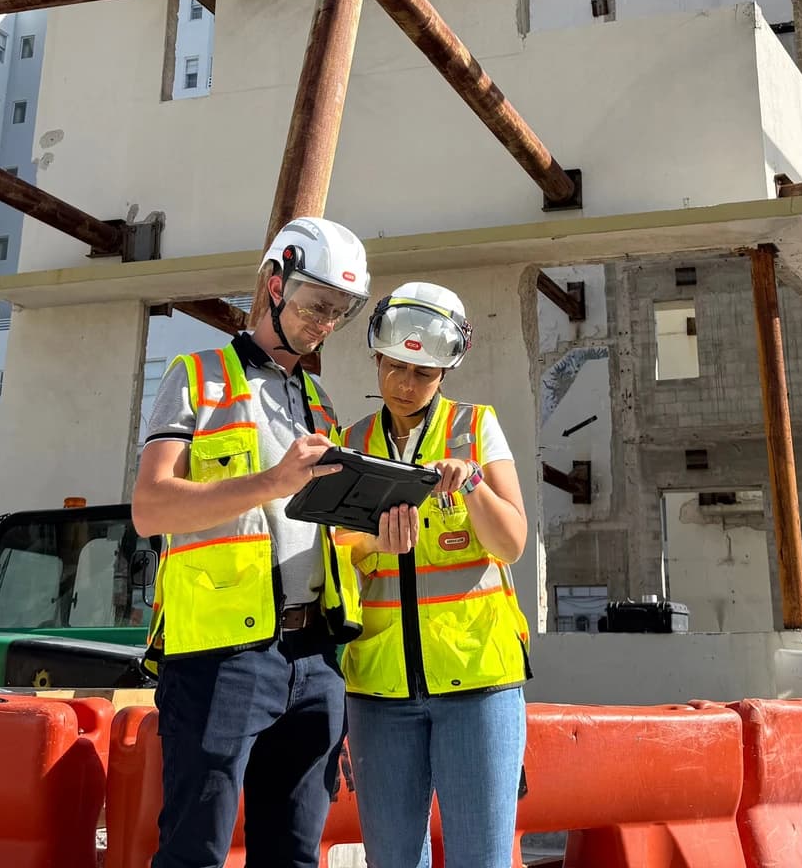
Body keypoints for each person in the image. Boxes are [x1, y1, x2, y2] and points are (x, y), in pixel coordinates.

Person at [132, 216, 371, 868]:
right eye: (317, 305)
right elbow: (150, 508)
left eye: (340, 312)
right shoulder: (197, 377)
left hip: (315, 657)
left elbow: (320, 533)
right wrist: (271, 481)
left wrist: (381, 529)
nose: (326, 323)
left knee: (294, 857)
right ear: (274, 285)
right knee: (195, 852)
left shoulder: (319, 401)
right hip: (220, 657)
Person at [338, 283, 532, 868]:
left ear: (446, 370)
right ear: (377, 358)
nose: (405, 383)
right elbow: (334, 552)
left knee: (481, 858)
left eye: (422, 373)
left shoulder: (476, 426)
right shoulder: (350, 443)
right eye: (394, 366)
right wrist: (374, 542)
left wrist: (472, 483)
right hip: (379, 687)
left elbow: (511, 542)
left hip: (478, 681)